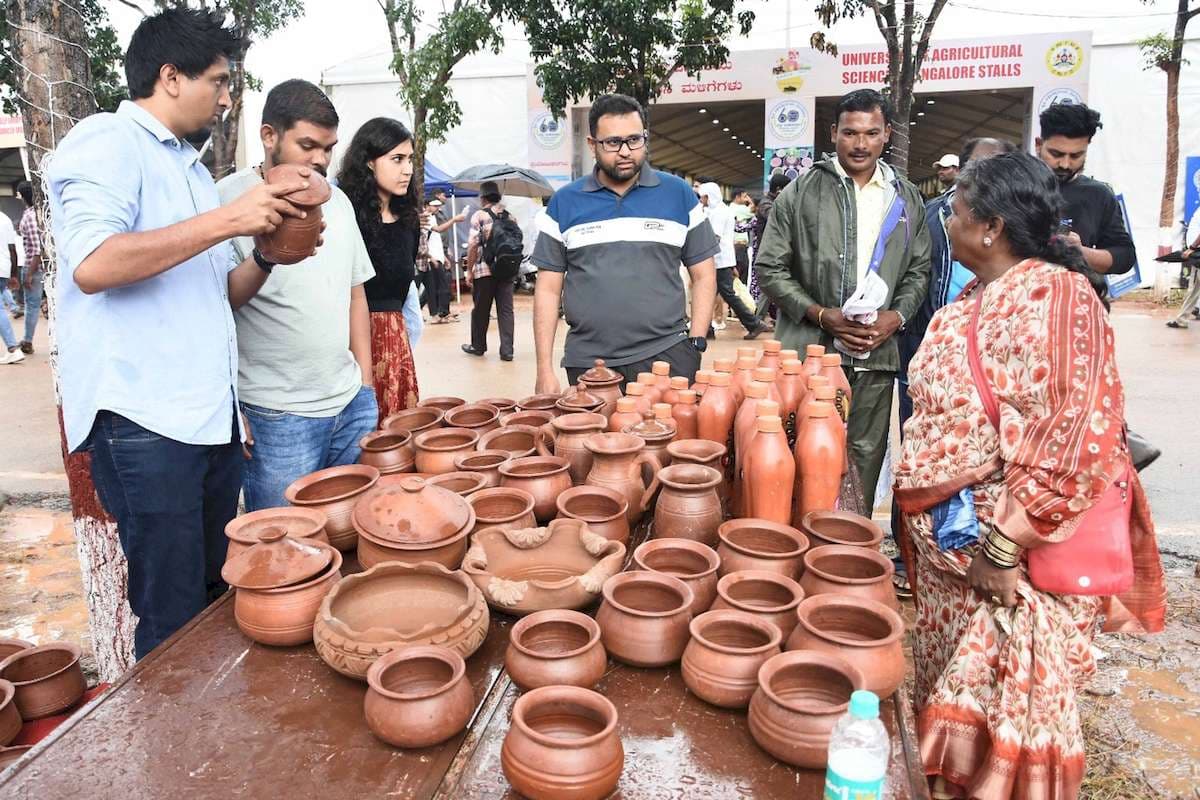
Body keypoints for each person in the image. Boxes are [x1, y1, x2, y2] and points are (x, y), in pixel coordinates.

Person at [893, 150, 1165, 800]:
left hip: (1011, 574)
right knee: (956, 725)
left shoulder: (1059, 300)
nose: (947, 220)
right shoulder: (982, 293)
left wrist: (1004, 546)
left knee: (1003, 739)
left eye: (955, 210)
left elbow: (1075, 441)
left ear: (990, 227)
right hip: (954, 574)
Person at [47, 8, 311, 658]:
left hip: (206, 421)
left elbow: (217, 293)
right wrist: (228, 222)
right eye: (218, 81)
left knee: (214, 602)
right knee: (170, 621)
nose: (225, 98)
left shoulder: (191, 173)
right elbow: (93, 264)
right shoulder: (107, 140)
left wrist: (269, 257)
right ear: (170, 76)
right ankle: (171, 756)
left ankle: (206, 748)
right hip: (143, 425)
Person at [755, 88, 931, 500]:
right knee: (800, 455)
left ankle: (849, 554)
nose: (860, 144)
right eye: (850, 133)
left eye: (871, 133)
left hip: (876, 354)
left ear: (887, 133)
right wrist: (819, 314)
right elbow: (769, 267)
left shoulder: (905, 198)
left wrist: (896, 318)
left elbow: (918, 269)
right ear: (834, 133)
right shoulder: (801, 193)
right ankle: (800, 550)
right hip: (809, 356)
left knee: (863, 458)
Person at [216, 79, 377, 512]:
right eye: (308, 145)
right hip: (275, 416)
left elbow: (356, 295)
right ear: (269, 136)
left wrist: (364, 386)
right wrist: (231, 405)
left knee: (347, 539)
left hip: (348, 404)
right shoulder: (228, 203)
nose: (321, 160)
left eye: (329, 148)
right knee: (282, 552)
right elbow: (212, 309)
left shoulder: (338, 203)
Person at [531, 93, 718, 391]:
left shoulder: (678, 194)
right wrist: (544, 369)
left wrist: (694, 344)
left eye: (635, 140)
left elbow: (704, 273)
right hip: (589, 363)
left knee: (669, 436)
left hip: (667, 357)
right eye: (612, 142)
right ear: (592, 145)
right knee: (589, 438)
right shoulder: (564, 203)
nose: (625, 151)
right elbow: (548, 290)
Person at [898, 137, 1017, 425]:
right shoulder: (930, 216)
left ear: (993, 228)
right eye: (976, 168)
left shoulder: (1029, 298)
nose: (950, 223)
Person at [337, 117, 423, 421]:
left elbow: (407, 297)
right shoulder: (345, 216)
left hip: (397, 349)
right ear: (370, 162)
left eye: (410, 159)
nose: (407, 169)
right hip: (349, 348)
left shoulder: (409, 222)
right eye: (396, 159)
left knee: (398, 441)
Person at [1036, 102, 1135, 276]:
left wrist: (1079, 252)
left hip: (1074, 298)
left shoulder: (1099, 195)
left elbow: (1124, 256)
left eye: (1076, 156)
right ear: (1039, 145)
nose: (1065, 164)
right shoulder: (1013, 185)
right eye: (1056, 154)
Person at [698, 181, 770, 340]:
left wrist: (700, 253)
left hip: (719, 259)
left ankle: (753, 323)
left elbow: (714, 237)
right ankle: (706, 328)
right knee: (709, 294)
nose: (701, 200)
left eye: (703, 197)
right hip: (719, 259)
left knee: (727, 294)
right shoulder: (716, 210)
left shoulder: (718, 212)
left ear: (709, 197)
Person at [461, 180, 517, 361]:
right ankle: (507, 350)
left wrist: (469, 270)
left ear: (483, 197)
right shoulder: (510, 216)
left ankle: (478, 346)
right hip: (507, 270)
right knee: (506, 310)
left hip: (485, 270)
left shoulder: (480, 215)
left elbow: (472, 246)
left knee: (481, 310)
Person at [17, 181, 43, 354]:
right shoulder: (41, 213)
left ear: (21, 195)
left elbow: (36, 249)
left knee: (32, 305)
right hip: (43, 267)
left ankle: (27, 341)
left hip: (34, 267)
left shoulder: (29, 216)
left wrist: (29, 274)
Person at [423, 197, 456, 323]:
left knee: (435, 287)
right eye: (434, 205)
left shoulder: (432, 217)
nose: (437, 208)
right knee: (437, 286)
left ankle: (440, 313)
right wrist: (454, 220)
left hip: (437, 257)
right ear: (427, 205)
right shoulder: (426, 218)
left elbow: (435, 240)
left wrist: (444, 257)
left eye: (438, 206)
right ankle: (439, 313)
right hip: (431, 258)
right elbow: (437, 231)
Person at [730, 189, 754, 284]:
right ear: (737, 197)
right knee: (742, 275)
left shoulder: (731, 207)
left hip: (736, 246)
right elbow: (755, 209)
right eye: (744, 196)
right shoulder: (740, 209)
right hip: (739, 246)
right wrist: (750, 200)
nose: (746, 199)